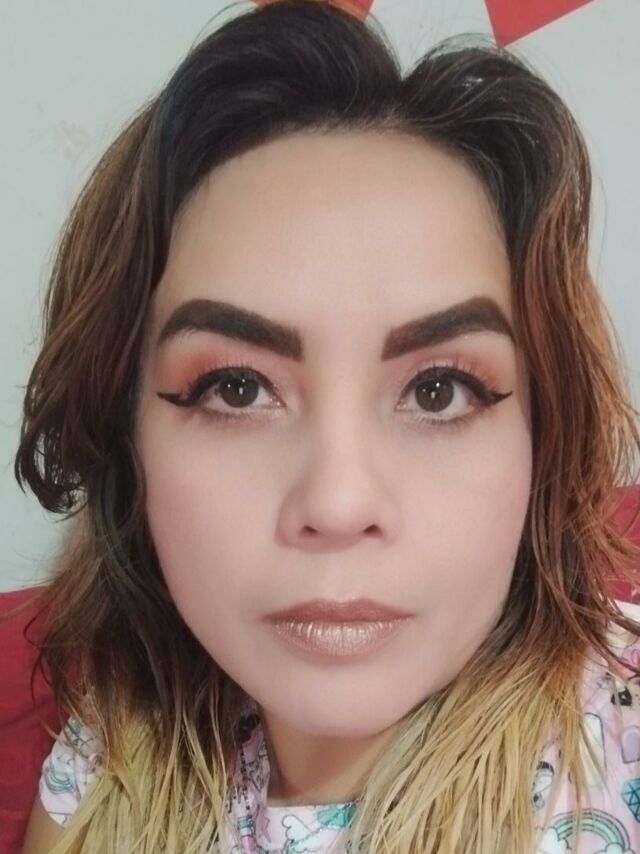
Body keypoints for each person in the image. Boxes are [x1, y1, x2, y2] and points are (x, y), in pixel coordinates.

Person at [12, 0, 640, 851]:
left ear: (544, 438)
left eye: (439, 391)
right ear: (127, 442)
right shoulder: (104, 766)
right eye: (236, 388)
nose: (340, 503)